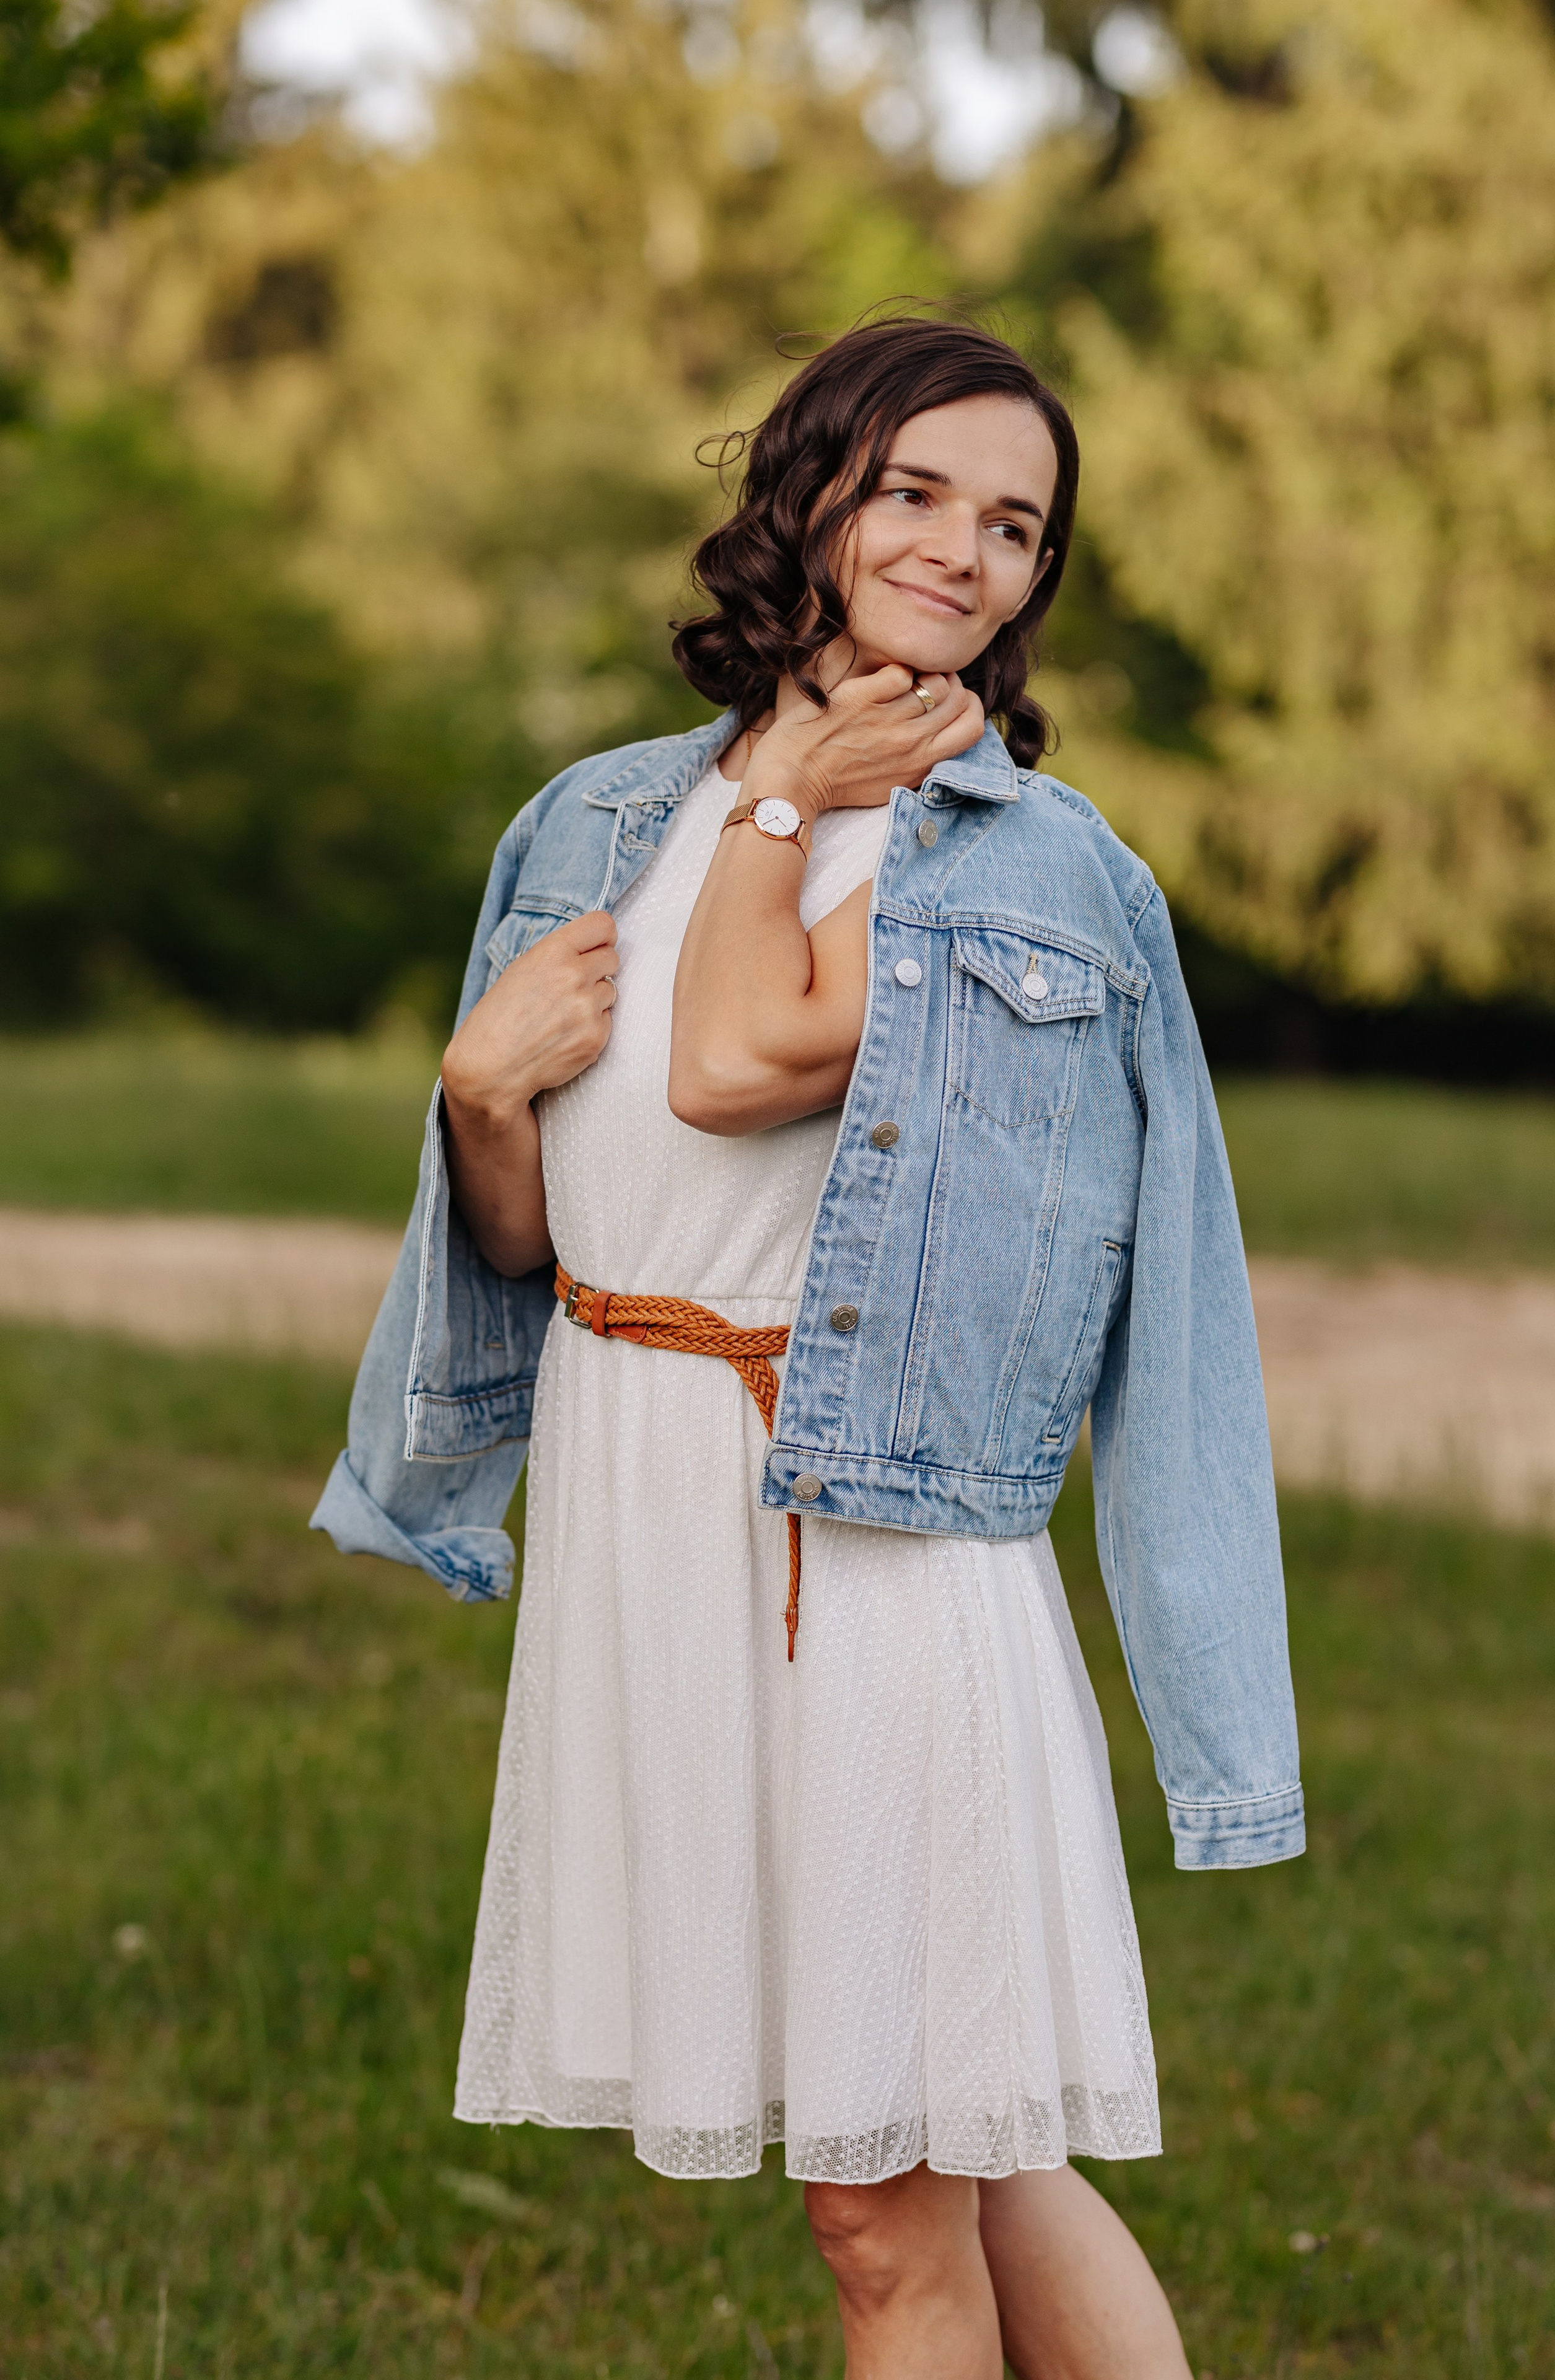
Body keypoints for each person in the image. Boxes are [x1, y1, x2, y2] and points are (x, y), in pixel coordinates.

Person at [313, 314, 1303, 2378]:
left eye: (1016, 522)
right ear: (813, 490)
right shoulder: (597, 817)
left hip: (854, 1547)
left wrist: (781, 811)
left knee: (881, 2201)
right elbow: (546, 1233)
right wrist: (482, 1098)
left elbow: (736, 1056)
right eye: (921, 489)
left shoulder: (1021, 862)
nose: (965, 548)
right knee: (970, 2151)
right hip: (650, 1522)